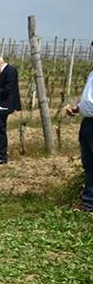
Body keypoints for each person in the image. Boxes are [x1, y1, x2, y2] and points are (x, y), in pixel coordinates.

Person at [64, 68, 93, 211]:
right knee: (89, 164)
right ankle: (88, 203)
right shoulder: (92, 73)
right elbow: (89, 100)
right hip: (88, 123)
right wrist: (77, 109)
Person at [0, 55, 21, 163]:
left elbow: (8, 89)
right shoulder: (4, 72)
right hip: (2, 104)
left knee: (0, 130)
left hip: (5, 105)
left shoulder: (10, 71)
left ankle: (1, 156)